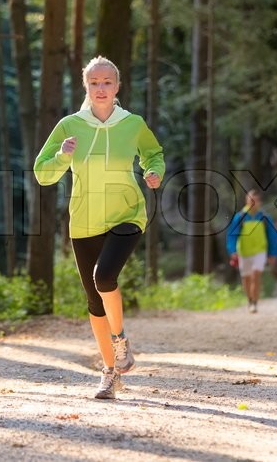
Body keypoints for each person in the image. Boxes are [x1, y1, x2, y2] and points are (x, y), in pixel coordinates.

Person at [34, 56, 165, 400]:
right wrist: (62, 157)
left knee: (104, 277)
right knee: (95, 302)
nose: (101, 88)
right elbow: (42, 173)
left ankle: (120, 340)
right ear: (86, 86)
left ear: (117, 86)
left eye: (107, 82)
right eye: (94, 83)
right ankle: (110, 373)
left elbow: (153, 154)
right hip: (84, 220)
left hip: (127, 214)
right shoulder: (69, 125)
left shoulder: (132, 124)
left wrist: (154, 172)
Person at [226, 189, 277, 313]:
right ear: (246, 201)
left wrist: (272, 253)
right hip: (244, 252)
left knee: (255, 275)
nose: (253, 202)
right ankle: (249, 300)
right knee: (246, 278)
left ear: (259, 202)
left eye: (255, 200)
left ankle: (255, 303)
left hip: (260, 251)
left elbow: (272, 236)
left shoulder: (264, 217)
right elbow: (232, 235)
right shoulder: (240, 217)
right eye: (250, 200)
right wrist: (232, 250)